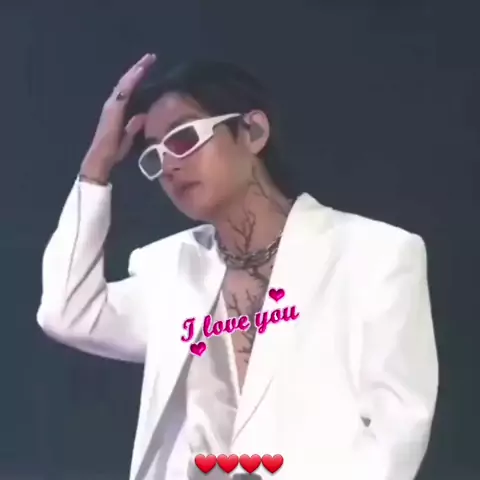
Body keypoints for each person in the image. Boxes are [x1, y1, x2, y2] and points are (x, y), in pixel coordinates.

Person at [37, 53, 439, 480]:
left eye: (184, 138)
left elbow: (398, 433)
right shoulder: (170, 269)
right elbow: (66, 312)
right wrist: (96, 166)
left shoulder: (374, 255)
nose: (169, 165)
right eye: (154, 155)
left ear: (253, 132)